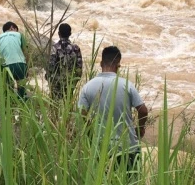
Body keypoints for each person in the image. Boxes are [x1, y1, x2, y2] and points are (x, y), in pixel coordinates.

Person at [78, 46, 149, 175]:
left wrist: (91, 135)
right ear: (118, 65)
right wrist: (140, 128)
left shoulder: (87, 87)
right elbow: (143, 110)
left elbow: (82, 115)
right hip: (128, 146)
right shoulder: (126, 85)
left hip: (101, 147)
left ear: (100, 64)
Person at [47, 23, 83, 100]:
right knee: (68, 102)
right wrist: (75, 81)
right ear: (70, 34)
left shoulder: (54, 48)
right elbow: (79, 68)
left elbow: (51, 66)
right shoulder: (75, 48)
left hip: (56, 82)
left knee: (55, 104)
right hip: (70, 81)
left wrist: (48, 77)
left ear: (58, 33)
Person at [0, 21, 28, 99]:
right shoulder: (19, 35)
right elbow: (25, 51)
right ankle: (22, 105)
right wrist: (26, 66)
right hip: (20, 63)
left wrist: (0, 69)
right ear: (13, 28)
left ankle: (9, 106)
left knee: (8, 89)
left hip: (5, 66)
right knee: (21, 87)